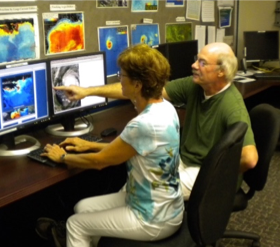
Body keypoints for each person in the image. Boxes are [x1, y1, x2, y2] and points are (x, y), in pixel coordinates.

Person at [54, 42, 259, 200]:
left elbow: (250, 159)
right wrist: (87, 91)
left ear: (221, 71)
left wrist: (211, 172)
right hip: (183, 162)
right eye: (197, 59)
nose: (194, 65)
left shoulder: (232, 105)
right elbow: (143, 89)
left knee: (144, 194)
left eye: (202, 63)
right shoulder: (196, 86)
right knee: (133, 187)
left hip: (203, 173)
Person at [41, 44, 184, 247]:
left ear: (137, 85)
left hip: (153, 218)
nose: (119, 79)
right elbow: (134, 150)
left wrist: (62, 157)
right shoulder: (166, 108)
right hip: (165, 205)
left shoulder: (143, 124)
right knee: (82, 207)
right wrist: (88, 145)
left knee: (75, 224)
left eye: (122, 75)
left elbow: (100, 163)